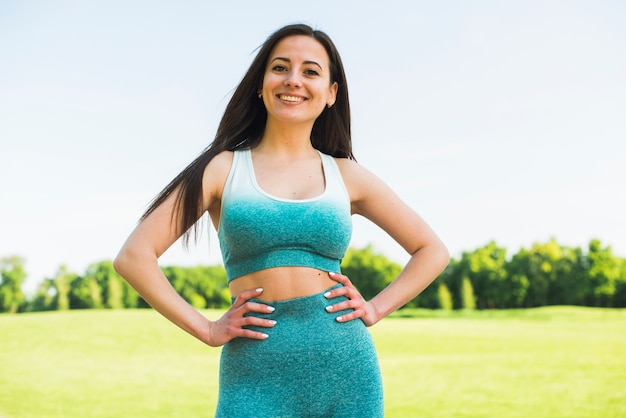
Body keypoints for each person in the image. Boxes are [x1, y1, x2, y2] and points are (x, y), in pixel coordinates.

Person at [114, 23, 449, 417]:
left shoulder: (348, 176)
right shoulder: (222, 169)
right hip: (253, 374)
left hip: (345, 369)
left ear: (330, 93)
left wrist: (375, 308)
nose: (293, 80)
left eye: (310, 71)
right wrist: (206, 329)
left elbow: (432, 250)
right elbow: (134, 256)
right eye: (280, 67)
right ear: (261, 83)